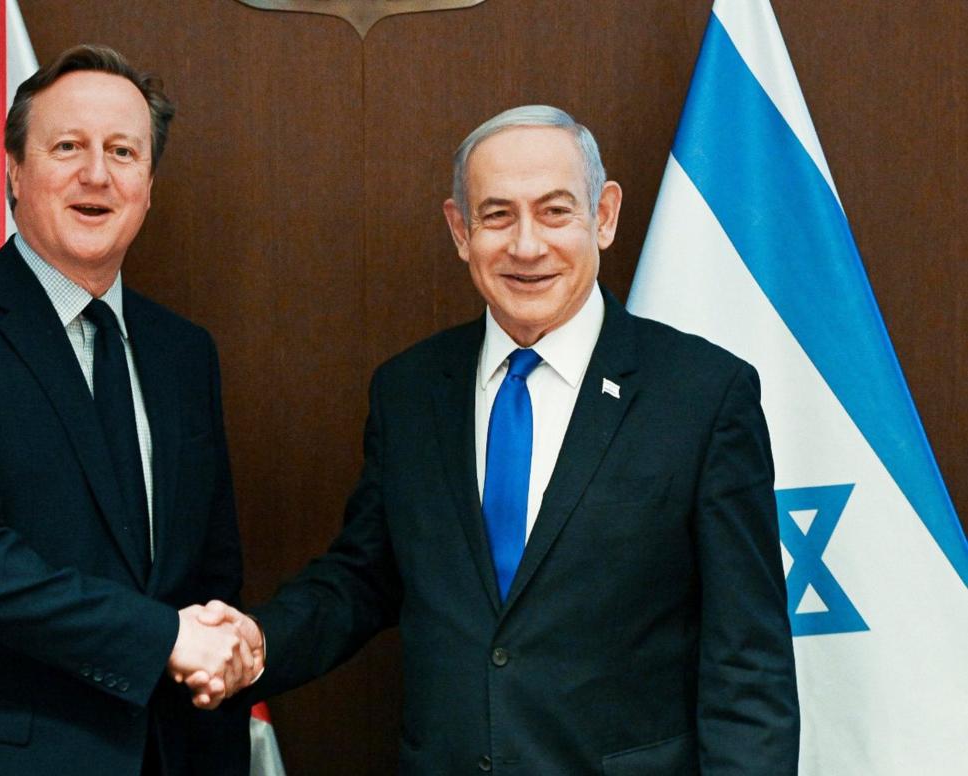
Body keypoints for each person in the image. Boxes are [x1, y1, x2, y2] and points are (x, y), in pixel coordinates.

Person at [207, 105, 800, 773]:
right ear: (460, 230)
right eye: (495, 216)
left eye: (554, 212)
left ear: (602, 216)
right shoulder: (409, 391)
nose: (525, 245)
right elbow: (363, 578)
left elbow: (746, 663)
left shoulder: (701, 395)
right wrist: (257, 640)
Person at [0, 45, 255, 775]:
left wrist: (230, 645)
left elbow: (207, 568)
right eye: (68, 146)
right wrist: (162, 637)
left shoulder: (183, 354)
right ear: (13, 170)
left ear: (148, 184)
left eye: (122, 151)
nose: (96, 173)